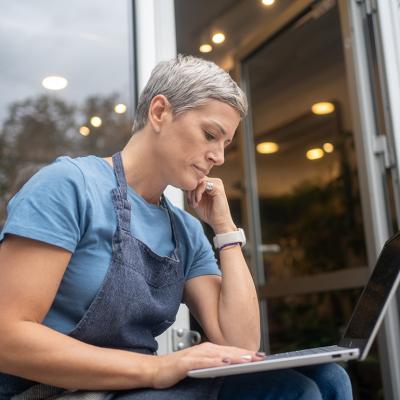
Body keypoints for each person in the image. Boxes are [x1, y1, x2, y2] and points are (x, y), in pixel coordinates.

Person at [0, 55, 353, 399]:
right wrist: (159, 368)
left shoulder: (185, 230)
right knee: (292, 391)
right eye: (210, 135)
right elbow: (7, 337)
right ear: (159, 112)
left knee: (328, 377)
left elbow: (240, 345)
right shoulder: (69, 186)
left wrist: (226, 231)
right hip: (51, 391)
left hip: (132, 390)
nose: (219, 156)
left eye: (225, 144)